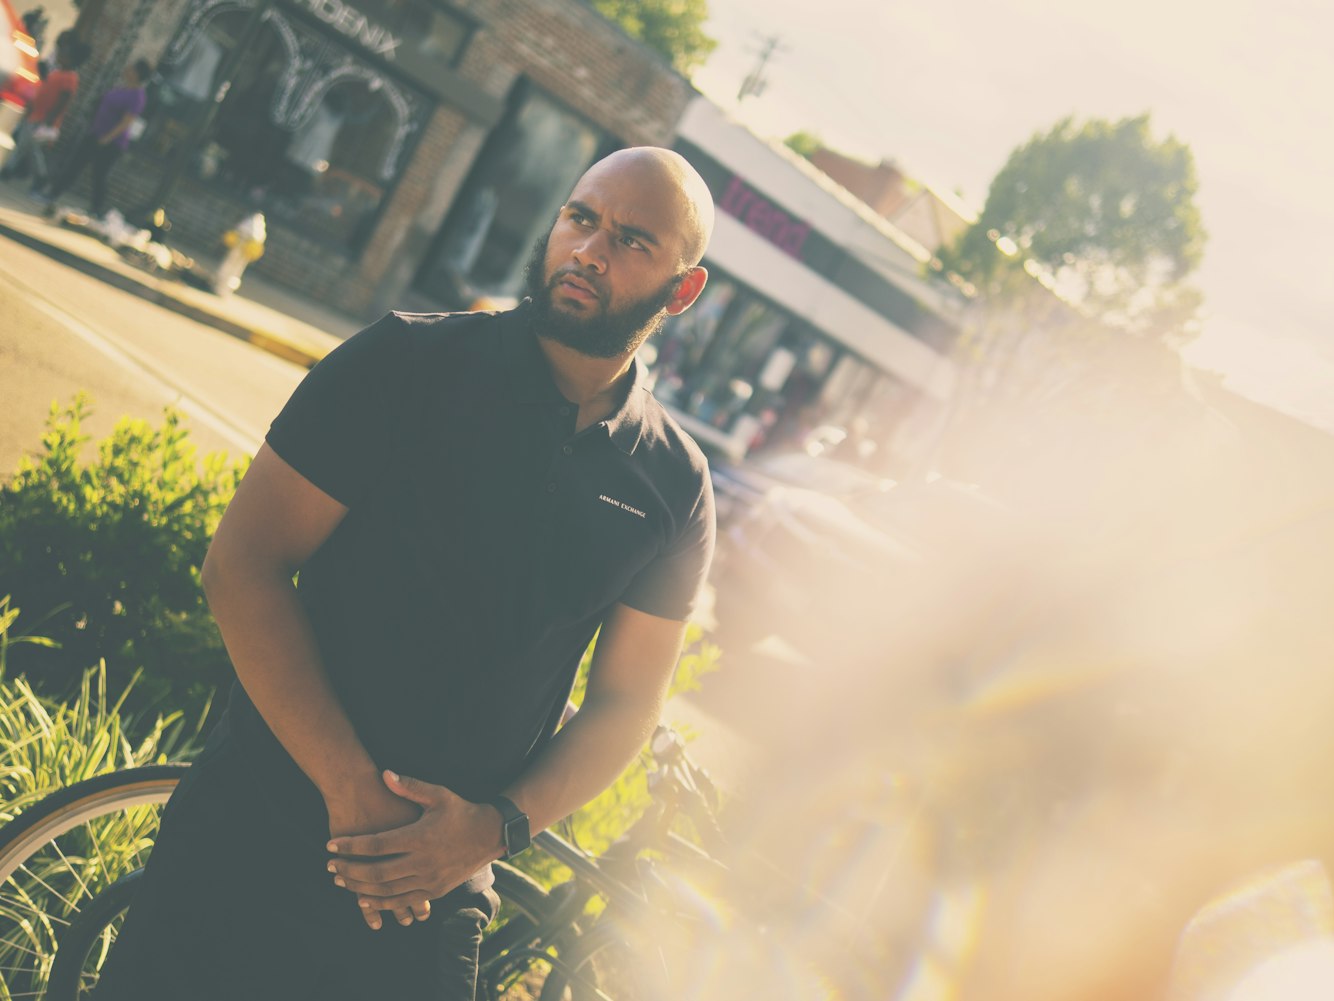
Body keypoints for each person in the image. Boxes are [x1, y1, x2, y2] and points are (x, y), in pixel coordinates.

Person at [90, 145, 717, 1000]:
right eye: (580, 217)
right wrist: (351, 790)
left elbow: (626, 703)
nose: (588, 251)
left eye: (631, 240)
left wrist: (491, 831)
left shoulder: (672, 485)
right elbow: (243, 565)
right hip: (251, 837)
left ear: (683, 289)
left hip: (432, 898)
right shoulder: (407, 362)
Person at [39, 58, 150, 219]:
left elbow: (126, 122)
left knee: (99, 175)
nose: (127, 70)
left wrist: (107, 138)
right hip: (95, 133)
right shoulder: (121, 88)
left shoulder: (137, 96)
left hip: (111, 142)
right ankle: (52, 194)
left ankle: (96, 209)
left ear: (137, 74)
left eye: (131, 68)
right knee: (75, 165)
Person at [0, 36, 86, 191]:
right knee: (27, 147)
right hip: (36, 114)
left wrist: (50, 118)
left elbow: (63, 100)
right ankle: (20, 171)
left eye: (64, 55)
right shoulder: (57, 73)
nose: (60, 56)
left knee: (27, 147)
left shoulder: (70, 78)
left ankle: (26, 173)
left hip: (43, 118)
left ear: (71, 60)